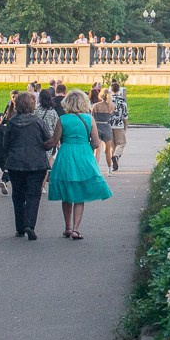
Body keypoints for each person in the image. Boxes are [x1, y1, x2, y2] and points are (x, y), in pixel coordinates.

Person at [49, 90, 113, 239]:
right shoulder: (89, 119)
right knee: (80, 194)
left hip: (66, 155)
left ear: (67, 103)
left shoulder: (63, 119)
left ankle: (67, 227)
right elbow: (97, 143)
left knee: (67, 192)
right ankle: (76, 229)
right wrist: (86, 146)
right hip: (83, 155)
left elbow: (55, 140)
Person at [0, 91, 55, 240]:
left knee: (18, 196)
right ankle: (30, 225)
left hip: (16, 163)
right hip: (36, 163)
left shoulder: (11, 122)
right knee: (33, 196)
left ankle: (20, 227)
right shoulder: (37, 121)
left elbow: (6, 144)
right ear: (32, 105)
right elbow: (48, 139)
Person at [107, 79, 129, 171]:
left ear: (111, 90)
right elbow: (125, 115)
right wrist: (125, 126)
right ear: (119, 90)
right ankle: (115, 157)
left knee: (113, 146)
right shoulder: (122, 101)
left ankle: (113, 165)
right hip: (119, 125)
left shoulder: (108, 101)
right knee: (121, 143)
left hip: (109, 125)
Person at [92, 85, 114, 168]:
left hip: (97, 126)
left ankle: (96, 168)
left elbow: (92, 118)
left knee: (96, 151)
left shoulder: (95, 106)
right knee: (107, 151)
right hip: (107, 127)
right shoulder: (111, 106)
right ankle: (109, 169)